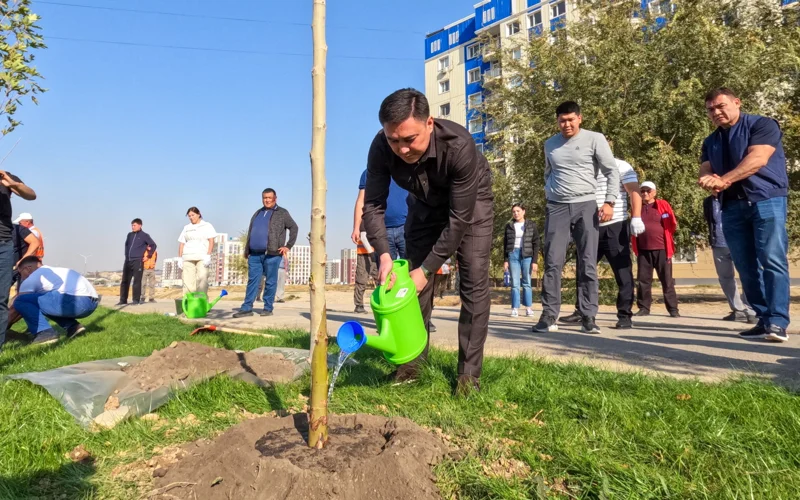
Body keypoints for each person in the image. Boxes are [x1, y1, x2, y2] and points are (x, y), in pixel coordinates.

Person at [362, 88, 494, 394]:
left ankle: (468, 377)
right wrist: (383, 255)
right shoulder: (381, 147)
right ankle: (411, 367)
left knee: (473, 281)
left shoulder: (459, 145)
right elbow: (373, 205)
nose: (402, 149)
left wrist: (428, 268)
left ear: (430, 124)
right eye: (394, 140)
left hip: (470, 205)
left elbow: (459, 219)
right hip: (423, 204)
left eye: (410, 139)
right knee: (412, 284)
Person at [698, 88, 790, 342]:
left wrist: (724, 180)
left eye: (721, 106)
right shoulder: (711, 141)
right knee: (745, 266)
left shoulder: (762, 125)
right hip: (731, 206)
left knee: (771, 259)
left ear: (737, 102)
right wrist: (706, 179)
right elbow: (706, 168)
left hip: (766, 199)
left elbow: (758, 159)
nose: (716, 112)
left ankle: (778, 321)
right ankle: (763, 318)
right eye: (710, 109)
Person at [533, 101, 619, 335]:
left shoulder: (595, 139)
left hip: (586, 205)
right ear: (557, 121)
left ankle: (588, 316)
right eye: (562, 120)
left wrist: (609, 202)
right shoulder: (550, 144)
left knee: (587, 262)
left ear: (580, 118)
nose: (567, 124)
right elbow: (548, 172)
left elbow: (611, 170)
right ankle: (549, 315)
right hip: (557, 207)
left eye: (571, 119)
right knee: (553, 261)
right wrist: (549, 192)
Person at [559, 158, 645, 329]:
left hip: (615, 226)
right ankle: (582, 310)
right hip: (589, 227)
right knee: (584, 270)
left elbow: (634, 191)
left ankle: (624, 315)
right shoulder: (586, 166)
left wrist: (636, 217)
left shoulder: (621, 166)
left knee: (622, 273)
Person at [234, 188, 298, 318]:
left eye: (269, 197)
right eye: (265, 198)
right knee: (252, 281)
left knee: (270, 281)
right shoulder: (258, 213)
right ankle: (246, 308)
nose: (267, 200)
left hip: (272, 254)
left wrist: (288, 246)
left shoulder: (282, 213)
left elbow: (294, 227)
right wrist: (247, 250)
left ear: (275, 198)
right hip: (254, 255)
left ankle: (268, 308)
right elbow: (251, 231)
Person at [7, 256, 98, 345]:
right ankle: (73, 327)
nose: (22, 278)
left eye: (20, 273)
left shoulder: (32, 278)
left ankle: (45, 333)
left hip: (76, 302)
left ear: (28, 268)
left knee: (21, 300)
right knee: (42, 302)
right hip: (92, 304)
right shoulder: (57, 270)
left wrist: (3, 328)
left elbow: (17, 307)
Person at [703, 195, 756, 323]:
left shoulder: (736, 196)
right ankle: (738, 310)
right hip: (719, 243)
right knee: (725, 278)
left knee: (747, 275)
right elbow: (710, 221)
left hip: (739, 242)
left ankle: (751, 310)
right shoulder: (708, 201)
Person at [631, 181, 679, 317]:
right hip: (643, 250)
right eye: (642, 191)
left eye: (648, 190)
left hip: (662, 249)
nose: (645, 193)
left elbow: (672, 223)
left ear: (654, 192)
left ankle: (673, 309)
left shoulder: (662, 204)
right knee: (643, 281)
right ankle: (644, 308)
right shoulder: (637, 207)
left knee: (667, 280)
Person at [0, 170, 36, 350]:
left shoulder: (5, 177)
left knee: (1, 299)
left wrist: (13, 184)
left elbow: (31, 195)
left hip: (3, 244)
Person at [353, 168, 409, 260]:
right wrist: (356, 227)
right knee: (387, 267)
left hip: (406, 226)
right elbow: (361, 201)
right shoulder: (368, 173)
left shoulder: (405, 167)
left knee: (412, 265)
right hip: (381, 229)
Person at [503, 204, 540, 318]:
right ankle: (515, 308)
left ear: (523, 211)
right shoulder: (509, 226)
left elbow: (536, 243)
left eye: (518, 211)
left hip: (527, 256)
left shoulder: (531, 225)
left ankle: (528, 308)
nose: (516, 213)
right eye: (514, 211)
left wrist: (535, 261)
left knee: (527, 282)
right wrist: (505, 260)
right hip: (513, 255)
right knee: (515, 283)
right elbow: (505, 244)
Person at [177, 207, 216, 296]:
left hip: (202, 257)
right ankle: (189, 301)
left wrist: (208, 255)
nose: (191, 217)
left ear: (199, 214)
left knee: (202, 280)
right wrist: (179, 257)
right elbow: (182, 243)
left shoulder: (207, 226)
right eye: (189, 216)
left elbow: (211, 240)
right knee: (188, 281)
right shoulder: (186, 228)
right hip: (187, 257)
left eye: (193, 215)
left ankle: (201, 301)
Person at [117, 218, 157, 306]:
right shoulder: (129, 235)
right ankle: (123, 300)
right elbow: (126, 245)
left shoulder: (144, 235)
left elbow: (153, 245)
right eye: (132, 225)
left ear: (140, 225)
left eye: (134, 225)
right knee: (124, 281)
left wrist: (148, 256)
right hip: (128, 261)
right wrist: (126, 256)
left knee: (136, 281)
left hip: (137, 261)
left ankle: (135, 300)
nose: (133, 227)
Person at [353, 230, 378, 314]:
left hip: (377, 252)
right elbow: (362, 236)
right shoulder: (360, 222)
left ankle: (382, 301)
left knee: (380, 279)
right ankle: (359, 305)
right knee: (361, 280)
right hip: (363, 253)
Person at [11, 223, 41, 291]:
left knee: (23, 291)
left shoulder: (18, 229)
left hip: (22, 268)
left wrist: (22, 261)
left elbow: (35, 242)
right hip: (7, 268)